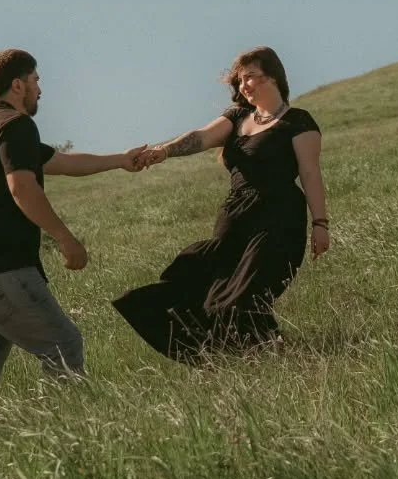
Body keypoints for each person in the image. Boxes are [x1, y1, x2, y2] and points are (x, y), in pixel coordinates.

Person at [0, 48, 142, 418]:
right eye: (36, 81)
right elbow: (22, 186)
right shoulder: (15, 125)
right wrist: (65, 237)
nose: (40, 91)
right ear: (18, 85)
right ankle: (66, 437)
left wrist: (120, 160)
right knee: (64, 345)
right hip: (1, 270)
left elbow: (61, 162)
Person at [112, 47, 328, 360]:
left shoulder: (298, 123)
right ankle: (250, 357)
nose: (244, 86)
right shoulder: (238, 118)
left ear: (274, 76)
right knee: (210, 292)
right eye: (240, 81)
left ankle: (267, 357)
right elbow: (200, 137)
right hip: (235, 219)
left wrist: (320, 223)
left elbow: (310, 174)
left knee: (248, 292)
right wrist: (165, 151)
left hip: (278, 218)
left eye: (251, 77)